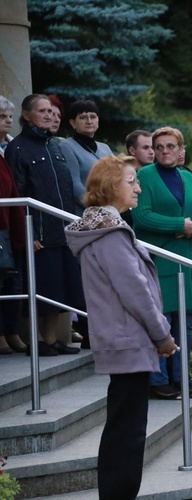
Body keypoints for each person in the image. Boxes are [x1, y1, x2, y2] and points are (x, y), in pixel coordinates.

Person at [64, 154, 177, 499]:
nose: (138, 188)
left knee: (123, 428)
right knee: (127, 432)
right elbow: (135, 292)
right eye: (132, 181)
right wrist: (162, 334)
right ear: (111, 186)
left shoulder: (108, 228)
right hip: (129, 340)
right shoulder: (110, 233)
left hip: (125, 339)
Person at [6, 94, 84, 357]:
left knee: (61, 291)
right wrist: (28, 232)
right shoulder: (18, 148)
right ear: (27, 116)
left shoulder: (55, 145)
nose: (50, 115)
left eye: (51, 111)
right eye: (42, 111)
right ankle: (36, 340)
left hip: (62, 230)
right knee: (41, 289)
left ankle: (51, 339)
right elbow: (18, 194)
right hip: (39, 232)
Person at [132, 126, 192, 400]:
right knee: (161, 321)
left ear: (181, 149)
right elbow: (142, 217)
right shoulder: (145, 176)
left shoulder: (187, 177)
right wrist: (179, 224)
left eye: (170, 146)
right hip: (159, 259)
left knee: (184, 325)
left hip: (185, 261)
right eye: (159, 146)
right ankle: (158, 378)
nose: (164, 151)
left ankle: (181, 377)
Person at [59, 100, 115, 215]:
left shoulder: (105, 148)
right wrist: (98, 205)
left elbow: (116, 177)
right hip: (85, 213)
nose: (89, 121)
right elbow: (74, 184)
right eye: (83, 117)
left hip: (111, 211)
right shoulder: (66, 146)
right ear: (73, 123)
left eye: (93, 116)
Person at [0, 152, 26, 354]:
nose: (9, 120)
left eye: (10, 116)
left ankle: (11, 331)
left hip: (8, 226)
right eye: (3, 117)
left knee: (13, 283)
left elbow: (14, 193)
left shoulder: (2, 156)